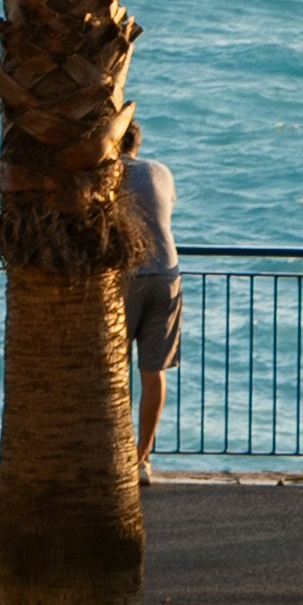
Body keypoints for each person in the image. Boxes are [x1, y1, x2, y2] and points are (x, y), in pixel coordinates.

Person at [123, 122, 182, 471]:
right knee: (153, 370)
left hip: (129, 275)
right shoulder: (161, 170)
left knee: (115, 367)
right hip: (167, 273)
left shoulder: (110, 173)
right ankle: (142, 458)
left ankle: (116, 451)